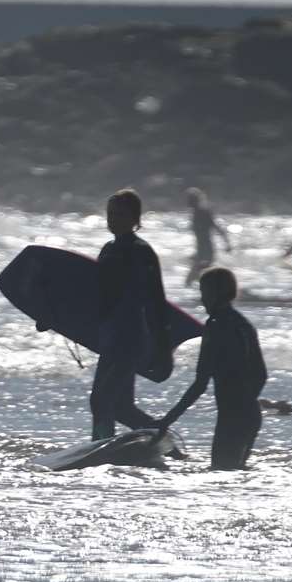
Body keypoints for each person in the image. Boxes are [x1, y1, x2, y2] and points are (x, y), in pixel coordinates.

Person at [156, 267, 267, 470]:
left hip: (232, 418)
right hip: (250, 415)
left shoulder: (216, 325)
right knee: (235, 475)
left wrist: (168, 419)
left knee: (222, 474)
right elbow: (261, 374)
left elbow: (200, 383)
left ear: (216, 293)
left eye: (204, 292)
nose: (202, 299)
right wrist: (245, 401)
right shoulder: (243, 323)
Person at [91, 188, 168, 440]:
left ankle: (100, 449)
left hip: (132, 336)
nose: (113, 219)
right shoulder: (107, 249)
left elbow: (156, 300)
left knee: (101, 401)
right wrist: (53, 316)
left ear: (135, 218)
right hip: (111, 337)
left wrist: (162, 347)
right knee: (121, 408)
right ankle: (164, 442)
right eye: (110, 214)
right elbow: (92, 294)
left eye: (120, 214)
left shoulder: (140, 251)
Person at [182, 188, 233, 287]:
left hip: (206, 252)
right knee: (198, 279)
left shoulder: (203, 212)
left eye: (188, 199)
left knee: (192, 280)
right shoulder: (195, 213)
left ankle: (222, 290)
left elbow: (216, 227)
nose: (186, 202)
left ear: (194, 200)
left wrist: (227, 243)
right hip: (201, 251)